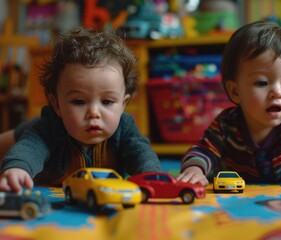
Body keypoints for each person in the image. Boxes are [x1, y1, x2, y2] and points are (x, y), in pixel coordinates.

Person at [176, 21, 281, 190]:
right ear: (235, 92)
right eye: (262, 83)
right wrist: (195, 170)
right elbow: (203, 151)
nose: (277, 92)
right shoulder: (226, 124)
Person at [0, 27, 161, 193]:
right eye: (79, 101)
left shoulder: (125, 128)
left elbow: (142, 153)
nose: (94, 113)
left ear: (123, 104)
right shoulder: (49, 127)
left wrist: (151, 176)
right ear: (57, 104)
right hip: (27, 131)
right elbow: (29, 148)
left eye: (107, 101)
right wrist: (18, 168)